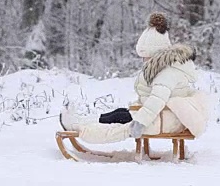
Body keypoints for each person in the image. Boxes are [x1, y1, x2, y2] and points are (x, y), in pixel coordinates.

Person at [59, 12, 209, 144]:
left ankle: (80, 129)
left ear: (155, 54)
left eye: (146, 57)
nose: (144, 61)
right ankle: (82, 122)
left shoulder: (167, 72)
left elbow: (157, 100)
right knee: (119, 114)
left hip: (166, 120)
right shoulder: (164, 67)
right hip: (163, 116)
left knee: (120, 128)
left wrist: (140, 121)